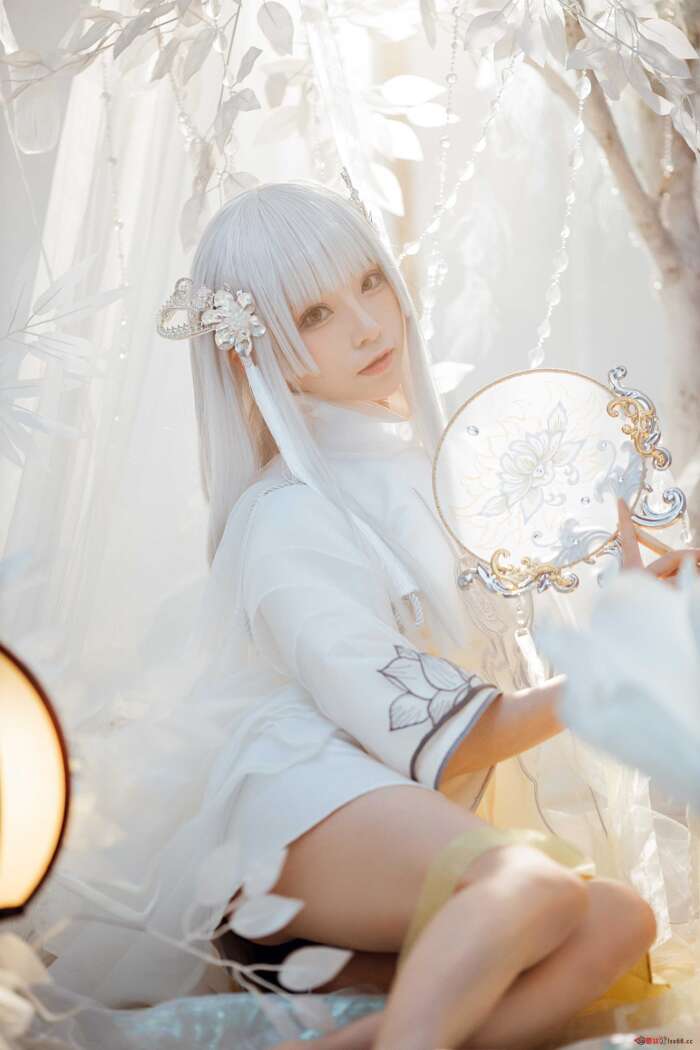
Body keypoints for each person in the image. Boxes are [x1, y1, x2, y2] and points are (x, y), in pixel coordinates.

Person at [27, 179, 698, 1050]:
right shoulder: (285, 518)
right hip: (299, 799)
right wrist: (617, 667)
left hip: (396, 812)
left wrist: (629, 611)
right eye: (314, 314)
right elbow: (456, 734)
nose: (368, 325)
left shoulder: (424, 475)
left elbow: (494, 679)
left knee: (619, 922)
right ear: (254, 354)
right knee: (534, 888)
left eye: (370, 282)